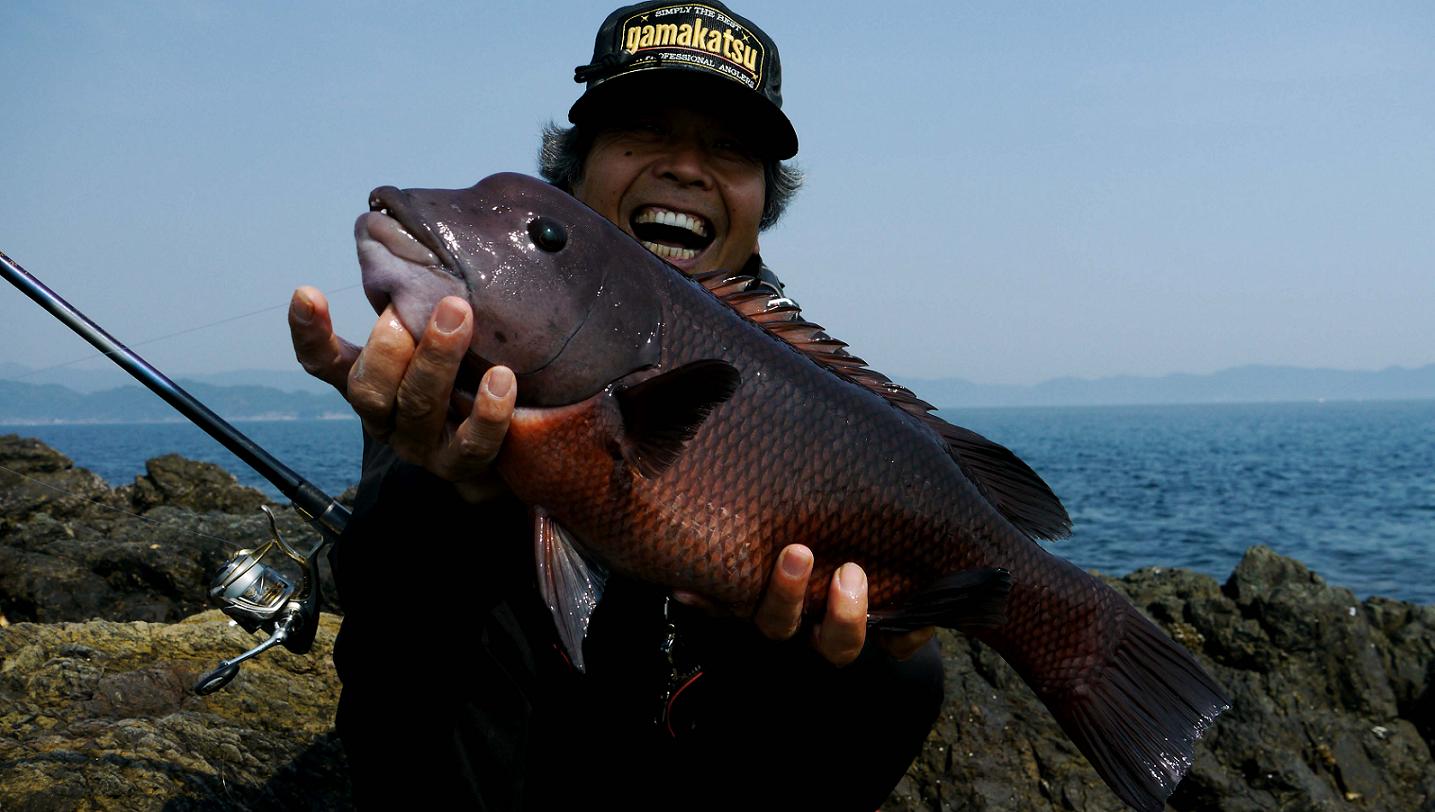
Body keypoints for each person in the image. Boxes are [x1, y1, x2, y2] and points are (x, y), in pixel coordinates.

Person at [288, 3, 942, 808]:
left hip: (698, 736)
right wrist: (447, 486)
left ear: (761, 203)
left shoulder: (795, 378)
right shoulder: (468, 340)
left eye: (729, 148)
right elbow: (387, 591)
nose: (686, 168)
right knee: (422, 529)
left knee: (897, 667)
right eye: (642, 130)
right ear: (573, 171)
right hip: (508, 750)